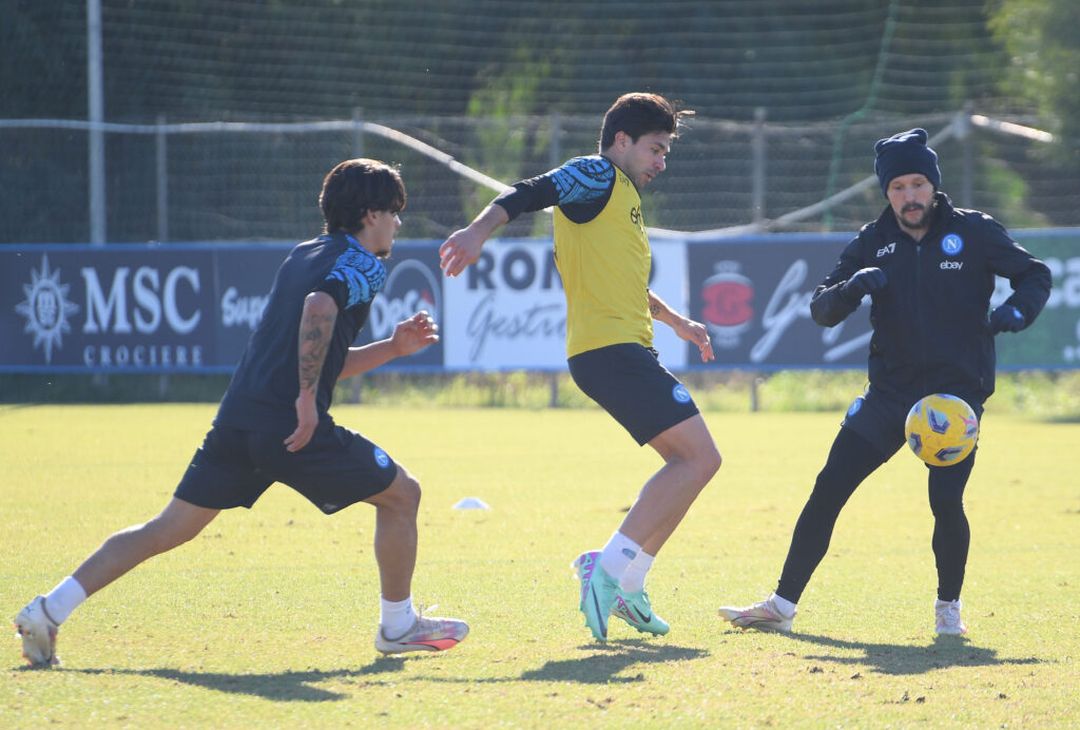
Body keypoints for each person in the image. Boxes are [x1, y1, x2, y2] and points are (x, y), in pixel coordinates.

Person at [15, 158, 469, 667]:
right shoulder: (365, 264)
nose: (398, 223)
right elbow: (319, 311)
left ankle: (48, 610)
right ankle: (398, 625)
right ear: (369, 214)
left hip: (238, 419)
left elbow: (318, 356)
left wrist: (390, 347)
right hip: (289, 425)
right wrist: (303, 401)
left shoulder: (303, 253)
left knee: (166, 529)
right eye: (393, 212)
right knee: (403, 494)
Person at [718, 128, 1052, 636]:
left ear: (933, 186)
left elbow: (1036, 274)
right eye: (898, 187)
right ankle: (781, 606)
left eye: (918, 183)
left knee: (945, 502)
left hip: (953, 399)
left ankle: (948, 614)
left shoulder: (975, 231)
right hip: (889, 395)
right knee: (828, 489)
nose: (909, 195)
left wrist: (1017, 309)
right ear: (886, 191)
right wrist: (853, 287)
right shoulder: (873, 241)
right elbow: (821, 309)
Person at [440, 92, 722, 642]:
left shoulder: (622, 199)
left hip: (622, 350)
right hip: (609, 352)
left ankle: (630, 581)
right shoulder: (595, 174)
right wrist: (477, 231)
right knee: (699, 458)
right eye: (655, 149)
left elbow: (627, 283)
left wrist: (677, 322)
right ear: (621, 141)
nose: (662, 161)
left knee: (691, 464)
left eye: (666, 151)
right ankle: (609, 569)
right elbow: (529, 192)